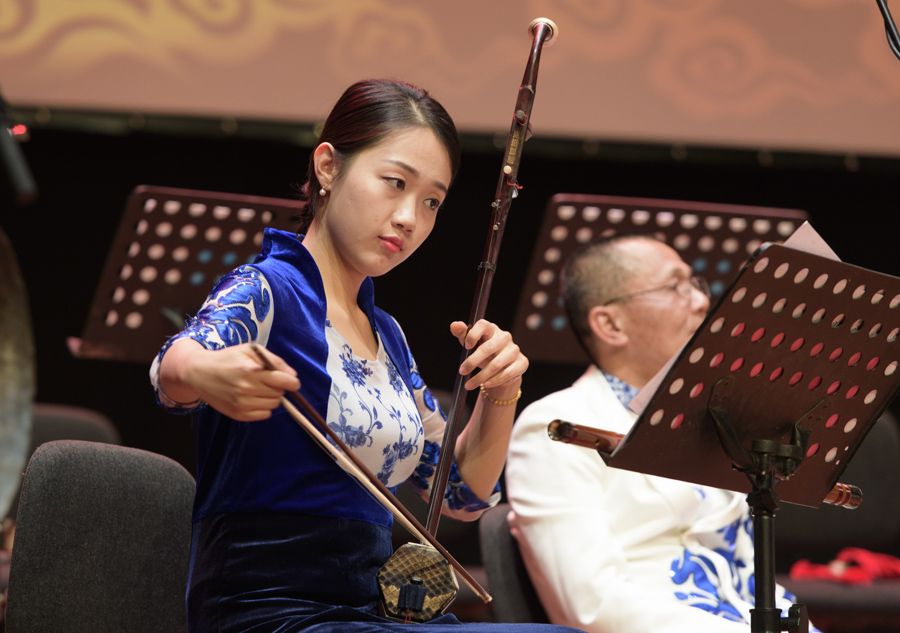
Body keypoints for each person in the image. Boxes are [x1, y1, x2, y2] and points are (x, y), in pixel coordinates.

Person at [151, 79, 580, 633]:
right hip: (270, 612)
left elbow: (461, 494)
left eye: (431, 201)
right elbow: (174, 368)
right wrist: (205, 370)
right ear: (327, 167)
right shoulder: (266, 288)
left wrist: (500, 392)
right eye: (394, 183)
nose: (409, 217)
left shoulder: (386, 334)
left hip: (367, 614)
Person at [506, 235, 811, 632]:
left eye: (696, 284)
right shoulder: (555, 422)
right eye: (675, 287)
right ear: (610, 324)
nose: (702, 302)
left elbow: (742, 571)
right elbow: (592, 604)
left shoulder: (717, 419)